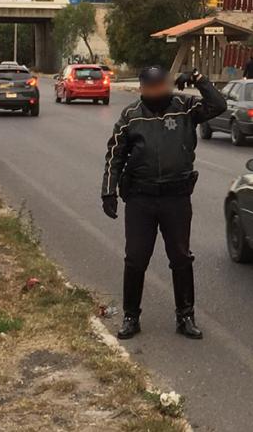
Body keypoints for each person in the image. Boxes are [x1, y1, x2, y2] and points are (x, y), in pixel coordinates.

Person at [101, 65, 226, 340]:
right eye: (152, 87)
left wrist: (198, 78)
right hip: (141, 200)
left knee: (181, 258)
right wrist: (108, 191)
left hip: (176, 198)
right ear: (143, 89)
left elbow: (218, 104)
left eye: (162, 85)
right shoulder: (131, 115)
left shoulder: (185, 107)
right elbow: (115, 155)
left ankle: (186, 317)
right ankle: (131, 317)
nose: (159, 90)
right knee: (135, 259)